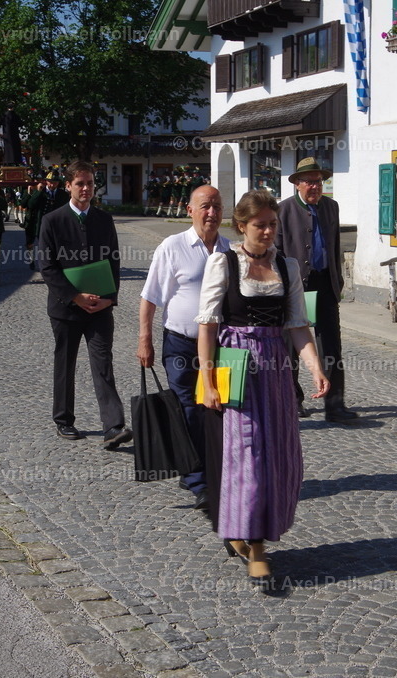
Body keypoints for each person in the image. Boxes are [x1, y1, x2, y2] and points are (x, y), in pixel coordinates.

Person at [196, 189, 330, 587]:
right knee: (247, 456)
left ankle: (246, 530)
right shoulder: (223, 263)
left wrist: (316, 369)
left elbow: (298, 325)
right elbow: (207, 326)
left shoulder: (287, 267)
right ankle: (255, 547)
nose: (268, 231)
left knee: (278, 457)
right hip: (236, 365)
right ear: (241, 225)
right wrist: (207, 380)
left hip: (275, 371)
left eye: (272, 224)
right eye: (260, 225)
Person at [138, 185, 231, 511]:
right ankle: (199, 482)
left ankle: (198, 469)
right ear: (190, 210)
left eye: (217, 206)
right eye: (205, 206)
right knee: (189, 409)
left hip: (218, 347)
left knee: (214, 409)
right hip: (179, 343)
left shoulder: (229, 249)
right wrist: (144, 338)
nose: (212, 212)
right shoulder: (172, 247)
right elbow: (150, 296)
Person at [37, 161, 132, 449]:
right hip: (66, 308)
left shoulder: (104, 219)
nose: (86, 188)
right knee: (65, 363)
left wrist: (109, 298)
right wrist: (75, 296)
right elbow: (47, 266)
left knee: (103, 362)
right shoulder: (52, 221)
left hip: (100, 308)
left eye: (90, 183)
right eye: (80, 183)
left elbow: (114, 260)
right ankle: (63, 420)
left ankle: (113, 426)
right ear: (68, 186)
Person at [275, 157, 357, 423]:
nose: (315, 186)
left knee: (331, 345)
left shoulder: (331, 207)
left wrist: (338, 281)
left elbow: (335, 247)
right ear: (297, 184)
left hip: (325, 283)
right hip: (297, 286)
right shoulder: (283, 210)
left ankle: (335, 404)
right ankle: (293, 399)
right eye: (309, 181)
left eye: (319, 181)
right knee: (293, 346)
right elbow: (276, 253)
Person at [21, 175, 46, 274]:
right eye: (37, 180)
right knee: (29, 243)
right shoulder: (28, 191)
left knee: (43, 243)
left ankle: (43, 262)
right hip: (30, 221)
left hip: (41, 220)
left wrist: (39, 192)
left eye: (41, 180)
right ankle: (31, 259)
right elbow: (24, 204)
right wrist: (28, 193)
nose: (39, 182)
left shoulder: (44, 192)